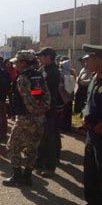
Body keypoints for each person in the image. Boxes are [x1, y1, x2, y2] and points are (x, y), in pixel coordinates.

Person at [2, 50, 50, 187]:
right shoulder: (38, 75)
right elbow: (44, 95)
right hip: (39, 118)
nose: (15, 65)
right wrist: (43, 109)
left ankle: (17, 176)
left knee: (13, 146)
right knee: (32, 148)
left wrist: (34, 112)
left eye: (17, 62)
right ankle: (27, 177)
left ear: (23, 62)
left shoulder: (23, 77)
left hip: (26, 118)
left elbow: (27, 98)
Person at [73, 44, 102, 205]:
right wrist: (85, 117)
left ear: (100, 60)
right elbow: (89, 102)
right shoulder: (95, 78)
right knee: (91, 170)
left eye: (90, 59)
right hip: (92, 132)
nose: (87, 62)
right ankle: (93, 204)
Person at [35, 47, 61, 178]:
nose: (39, 58)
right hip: (41, 107)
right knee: (41, 136)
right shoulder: (42, 69)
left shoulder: (54, 72)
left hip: (48, 108)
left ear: (48, 57)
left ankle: (50, 166)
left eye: (41, 56)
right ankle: (39, 162)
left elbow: (44, 90)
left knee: (49, 137)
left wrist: (33, 92)